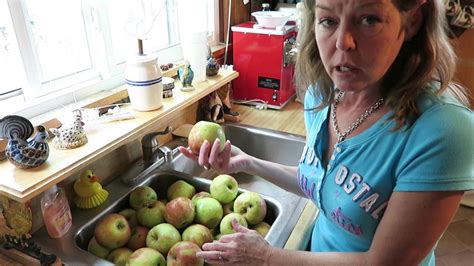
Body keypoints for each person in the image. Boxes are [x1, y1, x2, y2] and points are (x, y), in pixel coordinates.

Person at [178, 0, 474, 265]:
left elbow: (383, 261)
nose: (343, 42)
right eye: (329, 21)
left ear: (412, 21)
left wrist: (268, 256)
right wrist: (248, 163)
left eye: (369, 19)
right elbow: (324, 184)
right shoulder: (322, 94)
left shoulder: (442, 129)